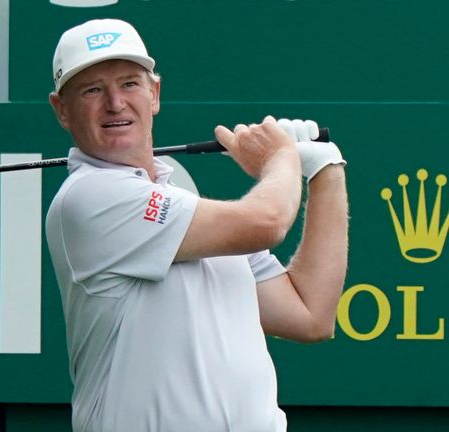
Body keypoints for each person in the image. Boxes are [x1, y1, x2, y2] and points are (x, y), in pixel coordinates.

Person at [45, 18, 348, 432]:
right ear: (62, 110)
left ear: (154, 94)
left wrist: (325, 170)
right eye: (93, 90)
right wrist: (281, 160)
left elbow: (310, 315)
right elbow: (269, 220)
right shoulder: (88, 198)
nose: (115, 103)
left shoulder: (187, 209)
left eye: (130, 84)